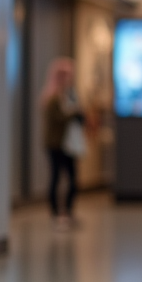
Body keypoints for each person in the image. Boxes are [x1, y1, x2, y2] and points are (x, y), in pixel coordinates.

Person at [41, 57, 82, 225]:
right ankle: (55, 213)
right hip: (56, 144)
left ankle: (68, 211)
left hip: (69, 144)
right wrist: (74, 113)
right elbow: (58, 118)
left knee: (72, 179)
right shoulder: (52, 97)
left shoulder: (69, 95)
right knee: (56, 177)